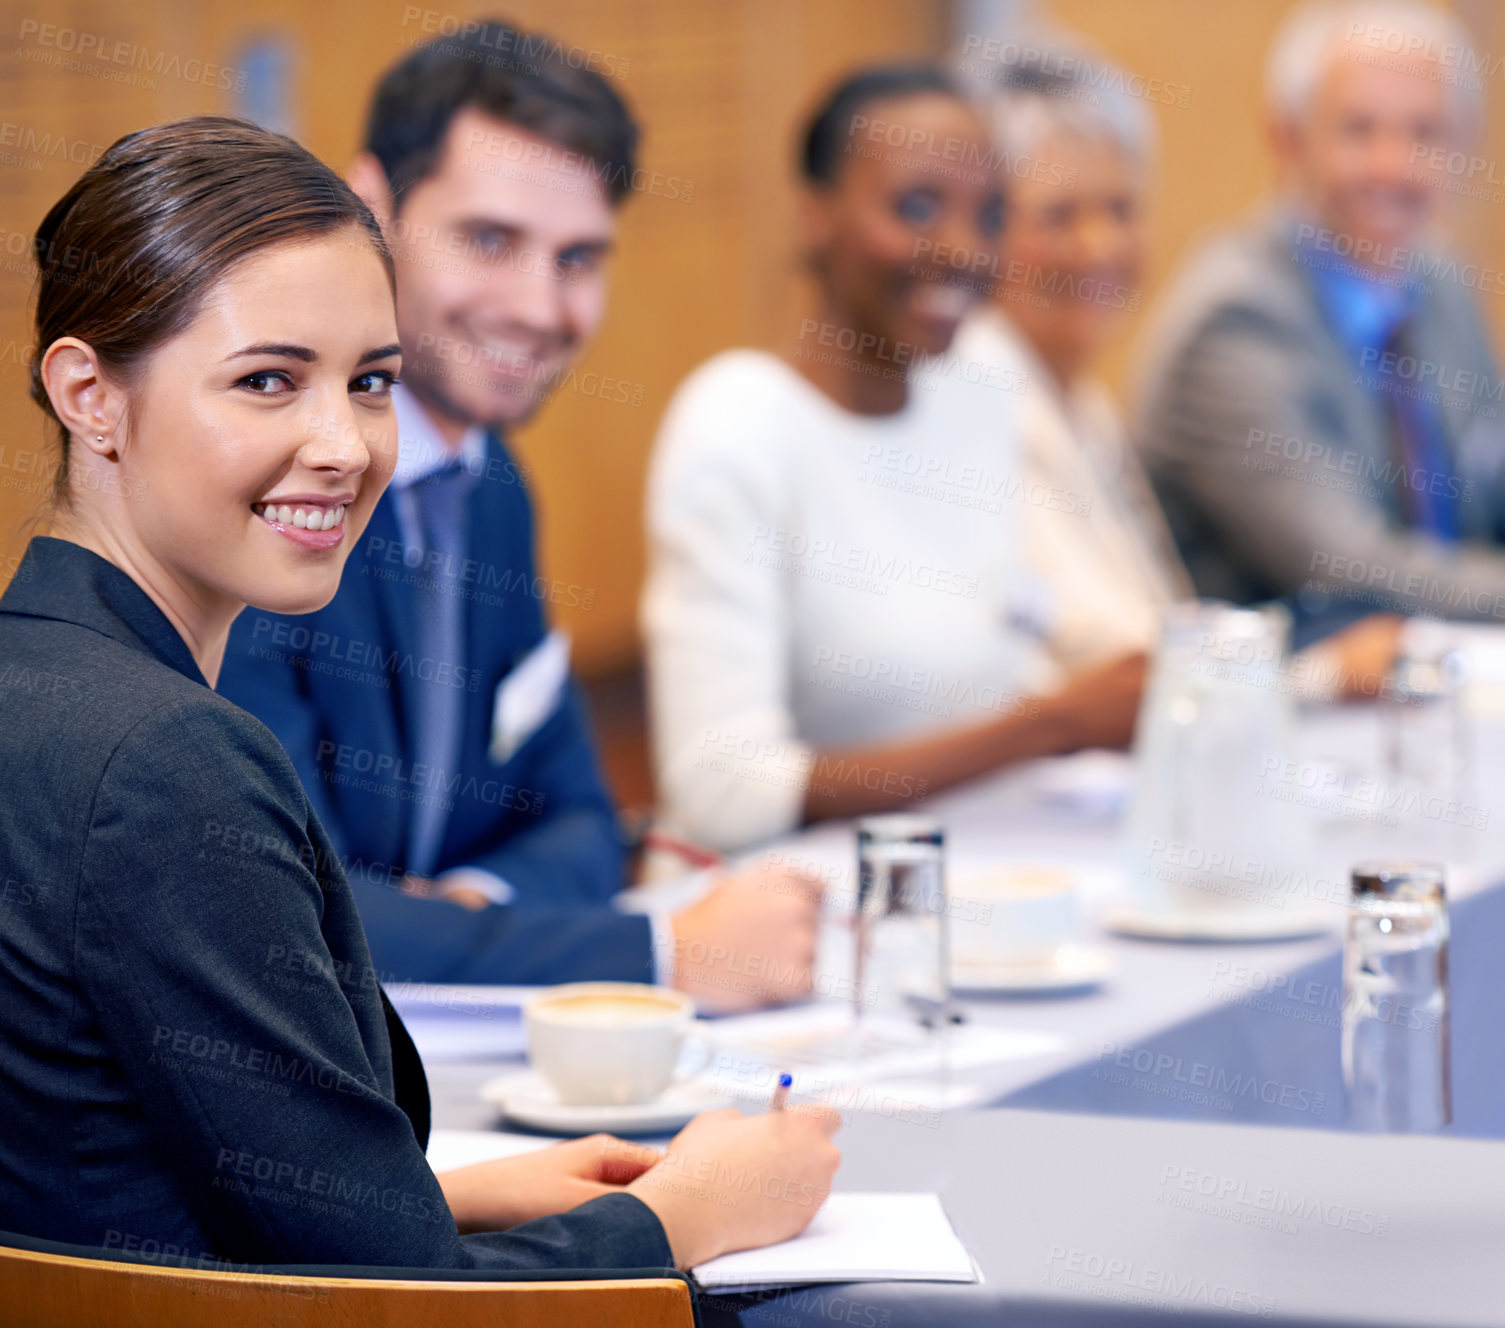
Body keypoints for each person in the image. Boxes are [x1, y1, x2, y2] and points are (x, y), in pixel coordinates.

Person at [0, 115, 840, 1273]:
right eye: (267, 381)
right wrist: (693, 1207)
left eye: (372, 382)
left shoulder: (36, 683)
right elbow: (401, 1302)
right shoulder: (168, 758)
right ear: (90, 395)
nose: (343, 443)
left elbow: (120, 1162)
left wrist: (445, 1192)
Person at [215, 21, 819, 1008]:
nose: (538, 306)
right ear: (369, 207)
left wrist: (464, 911)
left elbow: (580, 819)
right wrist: (662, 955)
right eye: (490, 240)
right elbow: (288, 918)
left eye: (577, 257)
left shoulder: (490, 481)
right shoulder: (266, 493)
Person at [640, 63, 1147, 855]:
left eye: (987, 217)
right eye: (916, 206)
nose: (959, 249)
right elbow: (720, 793)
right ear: (814, 215)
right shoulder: (738, 422)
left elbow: (1006, 649)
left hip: (984, 865)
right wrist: (1052, 725)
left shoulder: (977, 387)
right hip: (789, 916)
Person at [964, 33, 1402, 697]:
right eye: (1058, 217)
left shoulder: (1076, 400)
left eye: (1120, 210)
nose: (1098, 246)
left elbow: (1154, 630)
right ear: (977, 227)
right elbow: (1105, 656)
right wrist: (1320, 674)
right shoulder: (976, 388)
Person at [1133, 0, 1505, 636]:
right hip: (1284, 704)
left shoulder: (1438, 281)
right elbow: (1344, 566)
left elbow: (1489, 487)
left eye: (1425, 133)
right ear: (1287, 139)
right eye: (1359, 130)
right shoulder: (1235, 318)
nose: (1395, 165)